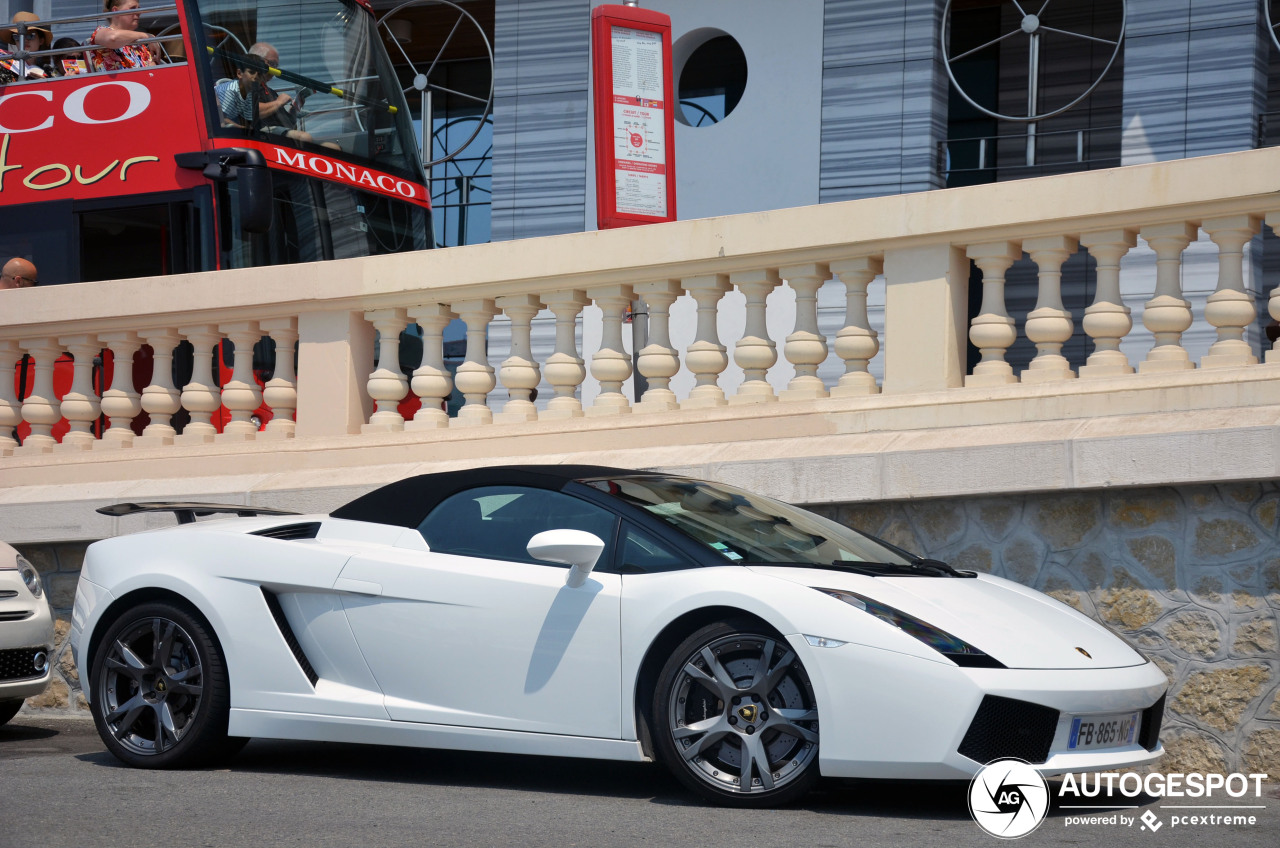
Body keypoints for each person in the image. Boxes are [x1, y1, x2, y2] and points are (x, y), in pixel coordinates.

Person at [215, 52, 314, 143]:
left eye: (260, 73)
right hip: (233, 136)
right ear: (239, 73)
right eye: (252, 72)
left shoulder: (254, 90)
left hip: (258, 133)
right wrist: (278, 102)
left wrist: (295, 107)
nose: (256, 77)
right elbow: (220, 120)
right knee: (304, 138)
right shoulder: (230, 90)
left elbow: (285, 122)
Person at [87, 0, 156, 73]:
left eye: (138, 8)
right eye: (133, 8)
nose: (139, 12)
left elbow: (154, 72)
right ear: (116, 11)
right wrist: (146, 36)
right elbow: (112, 38)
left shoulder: (140, 46)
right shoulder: (100, 31)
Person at [0, 12, 54, 81]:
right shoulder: (3, 65)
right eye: (17, 37)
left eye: (30, 36)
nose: (24, 40)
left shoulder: (50, 73)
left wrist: (44, 84)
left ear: (41, 41)